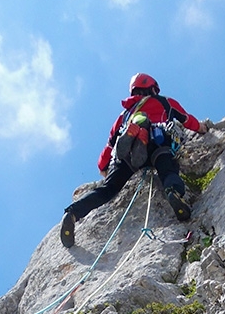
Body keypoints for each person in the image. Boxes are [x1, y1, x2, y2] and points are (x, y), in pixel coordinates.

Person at [60, 73, 208, 248]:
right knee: (168, 170)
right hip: (158, 144)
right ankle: (173, 192)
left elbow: (108, 149)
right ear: (152, 88)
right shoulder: (165, 102)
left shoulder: (122, 116)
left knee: (108, 189)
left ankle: (73, 213)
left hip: (125, 156)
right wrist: (203, 128)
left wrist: (103, 168)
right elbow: (187, 120)